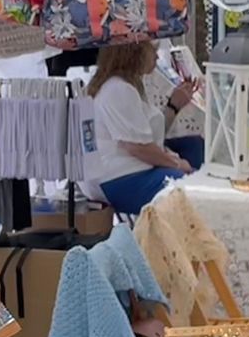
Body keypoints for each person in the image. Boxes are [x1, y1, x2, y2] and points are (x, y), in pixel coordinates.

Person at [81, 39, 198, 214]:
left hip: (127, 171)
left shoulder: (125, 86)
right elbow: (137, 147)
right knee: (189, 192)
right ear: (134, 53)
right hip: (119, 178)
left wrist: (173, 106)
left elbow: (145, 136)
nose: (157, 57)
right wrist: (177, 164)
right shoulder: (117, 89)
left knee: (195, 146)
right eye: (153, 50)